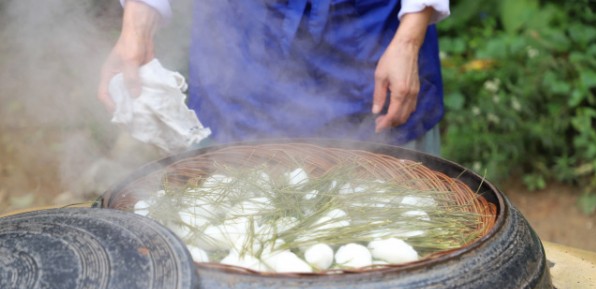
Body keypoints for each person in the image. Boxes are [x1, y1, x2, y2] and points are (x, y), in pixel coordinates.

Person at [98, 0, 449, 155]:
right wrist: (139, 20)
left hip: (364, 27)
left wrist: (409, 36)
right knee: (235, 222)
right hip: (242, 29)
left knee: (389, 215)